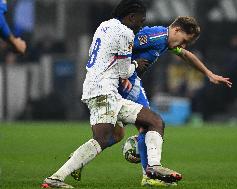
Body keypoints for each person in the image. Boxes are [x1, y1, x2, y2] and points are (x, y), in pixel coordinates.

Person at [70, 16, 232, 187]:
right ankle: (150, 174)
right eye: (184, 40)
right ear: (176, 30)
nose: (183, 46)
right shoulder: (155, 36)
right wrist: (125, 73)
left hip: (128, 82)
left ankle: (77, 159)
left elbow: (185, 55)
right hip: (125, 83)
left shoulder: (166, 41)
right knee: (148, 124)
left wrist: (209, 74)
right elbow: (124, 45)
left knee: (116, 135)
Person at [42, 0, 181, 188]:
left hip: (98, 89)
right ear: (131, 17)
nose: (142, 25)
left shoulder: (104, 25)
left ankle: (153, 168)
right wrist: (136, 65)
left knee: (133, 129)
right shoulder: (125, 33)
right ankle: (57, 177)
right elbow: (124, 72)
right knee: (104, 138)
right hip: (104, 93)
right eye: (141, 20)